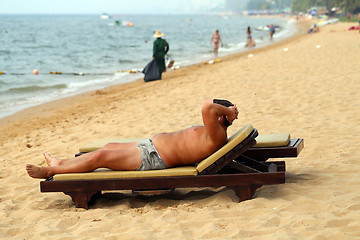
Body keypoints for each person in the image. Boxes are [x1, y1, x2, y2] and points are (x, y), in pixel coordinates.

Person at [26, 99, 239, 179]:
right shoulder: (213, 131)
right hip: (149, 146)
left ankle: (50, 171)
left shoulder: (217, 134)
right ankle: (60, 163)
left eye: (221, 112)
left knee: (100, 156)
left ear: (220, 116)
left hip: (154, 158)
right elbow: (209, 108)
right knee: (108, 146)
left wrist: (229, 111)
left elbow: (206, 106)